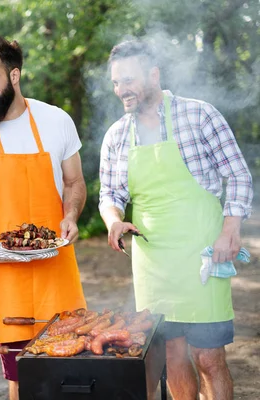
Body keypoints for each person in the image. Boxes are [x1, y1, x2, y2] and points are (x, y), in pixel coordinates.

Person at [99, 40, 253, 400]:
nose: (122, 89)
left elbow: (239, 175)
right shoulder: (117, 136)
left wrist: (230, 230)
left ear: (154, 75)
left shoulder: (199, 115)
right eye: (116, 82)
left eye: (129, 79)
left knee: (208, 358)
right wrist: (113, 221)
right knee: (170, 355)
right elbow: (110, 195)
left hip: (203, 254)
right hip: (154, 263)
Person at [0, 35, 88, 400]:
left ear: (14, 75)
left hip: (58, 272)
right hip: (6, 280)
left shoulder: (56, 120)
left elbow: (74, 182)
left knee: (69, 375)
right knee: (21, 382)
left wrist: (71, 215)